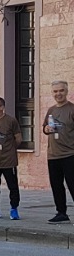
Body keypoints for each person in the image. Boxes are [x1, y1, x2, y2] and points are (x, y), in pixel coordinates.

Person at [42, 80, 74, 224]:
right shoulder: (51, 110)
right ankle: (61, 213)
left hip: (70, 154)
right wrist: (46, 129)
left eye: (61, 90)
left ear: (66, 91)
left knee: (72, 184)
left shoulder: (72, 109)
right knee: (56, 185)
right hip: (53, 154)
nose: (58, 94)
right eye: (55, 91)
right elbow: (45, 127)